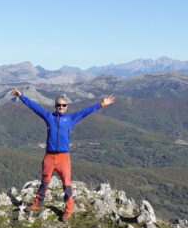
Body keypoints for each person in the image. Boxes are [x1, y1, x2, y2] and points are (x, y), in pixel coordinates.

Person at [9, 88, 116, 220]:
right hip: (49, 156)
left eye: (63, 105)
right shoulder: (49, 117)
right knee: (44, 182)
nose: (61, 107)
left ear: (66, 107)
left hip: (63, 157)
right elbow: (35, 107)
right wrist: (21, 96)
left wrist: (102, 103)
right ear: (55, 106)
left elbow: (86, 112)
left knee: (67, 184)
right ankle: (37, 204)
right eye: (59, 105)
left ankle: (68, 209)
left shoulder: (71, 119)